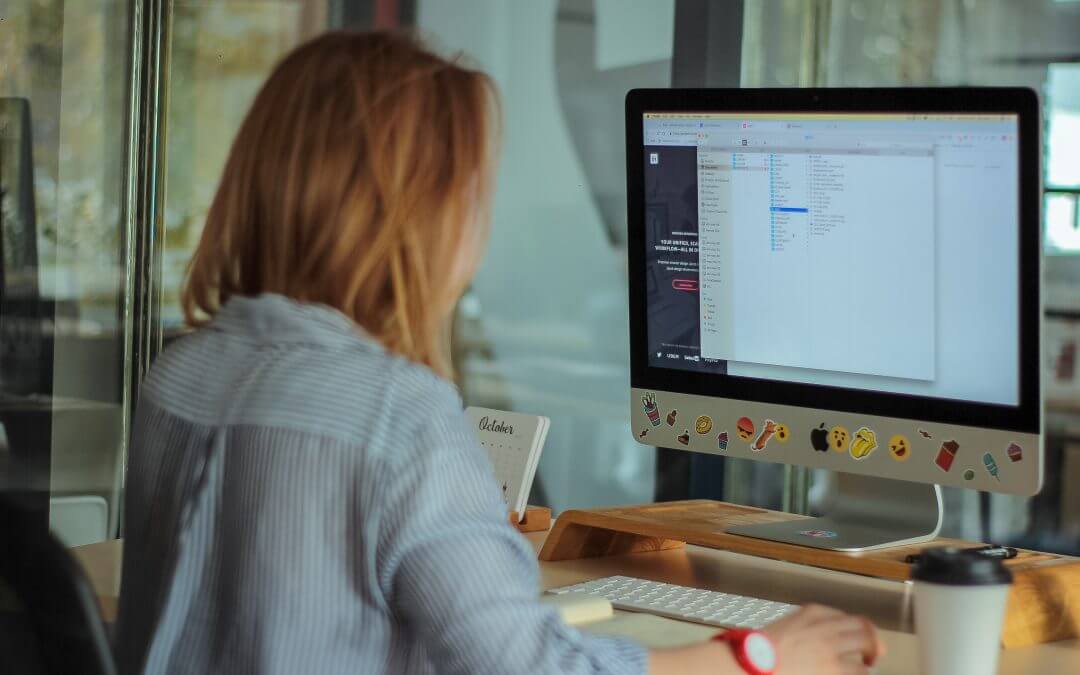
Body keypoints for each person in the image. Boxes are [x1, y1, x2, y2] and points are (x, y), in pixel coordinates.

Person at [115, 31, 885, 675]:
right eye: (474, 196)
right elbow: (527, 667)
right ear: (418, 217)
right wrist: (759, 651)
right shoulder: (395, 413)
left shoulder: (182, 371)